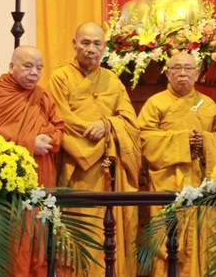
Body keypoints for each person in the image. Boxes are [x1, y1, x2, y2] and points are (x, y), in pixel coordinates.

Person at [48, 21, 141, 277]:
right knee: (82, 229)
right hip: (78, 167)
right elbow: (59, 118)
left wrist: (107, 125)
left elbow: (129, 120)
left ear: (105, 47)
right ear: (74, 44)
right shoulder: (60, 77)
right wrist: (96, 138)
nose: (91, 48)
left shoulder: (112, 79)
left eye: (97, 43)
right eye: (85, 42)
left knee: (108, 228)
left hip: (110, 168)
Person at [138, 51, 216, 277]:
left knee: (205, 240)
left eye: (188, 68)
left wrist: (205, 141)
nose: (182, 73)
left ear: (197, 73)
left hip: (202, 183)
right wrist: (183, 141)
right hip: (169, 182)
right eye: (176, 68)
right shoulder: (156, 103)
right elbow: (143, 138)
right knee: (169, 242)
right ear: (167, 73)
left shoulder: (207, 103)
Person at [0, 45, 64, 277]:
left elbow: (58, 128)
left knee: (39, 238)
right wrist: (29, 141)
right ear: (11, 66)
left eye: (39, 68)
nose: (34, 72)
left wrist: (50, 139)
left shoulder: (42, 95)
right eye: (28, 66)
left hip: (41, 176)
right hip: (8, 181)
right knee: (13, 241)